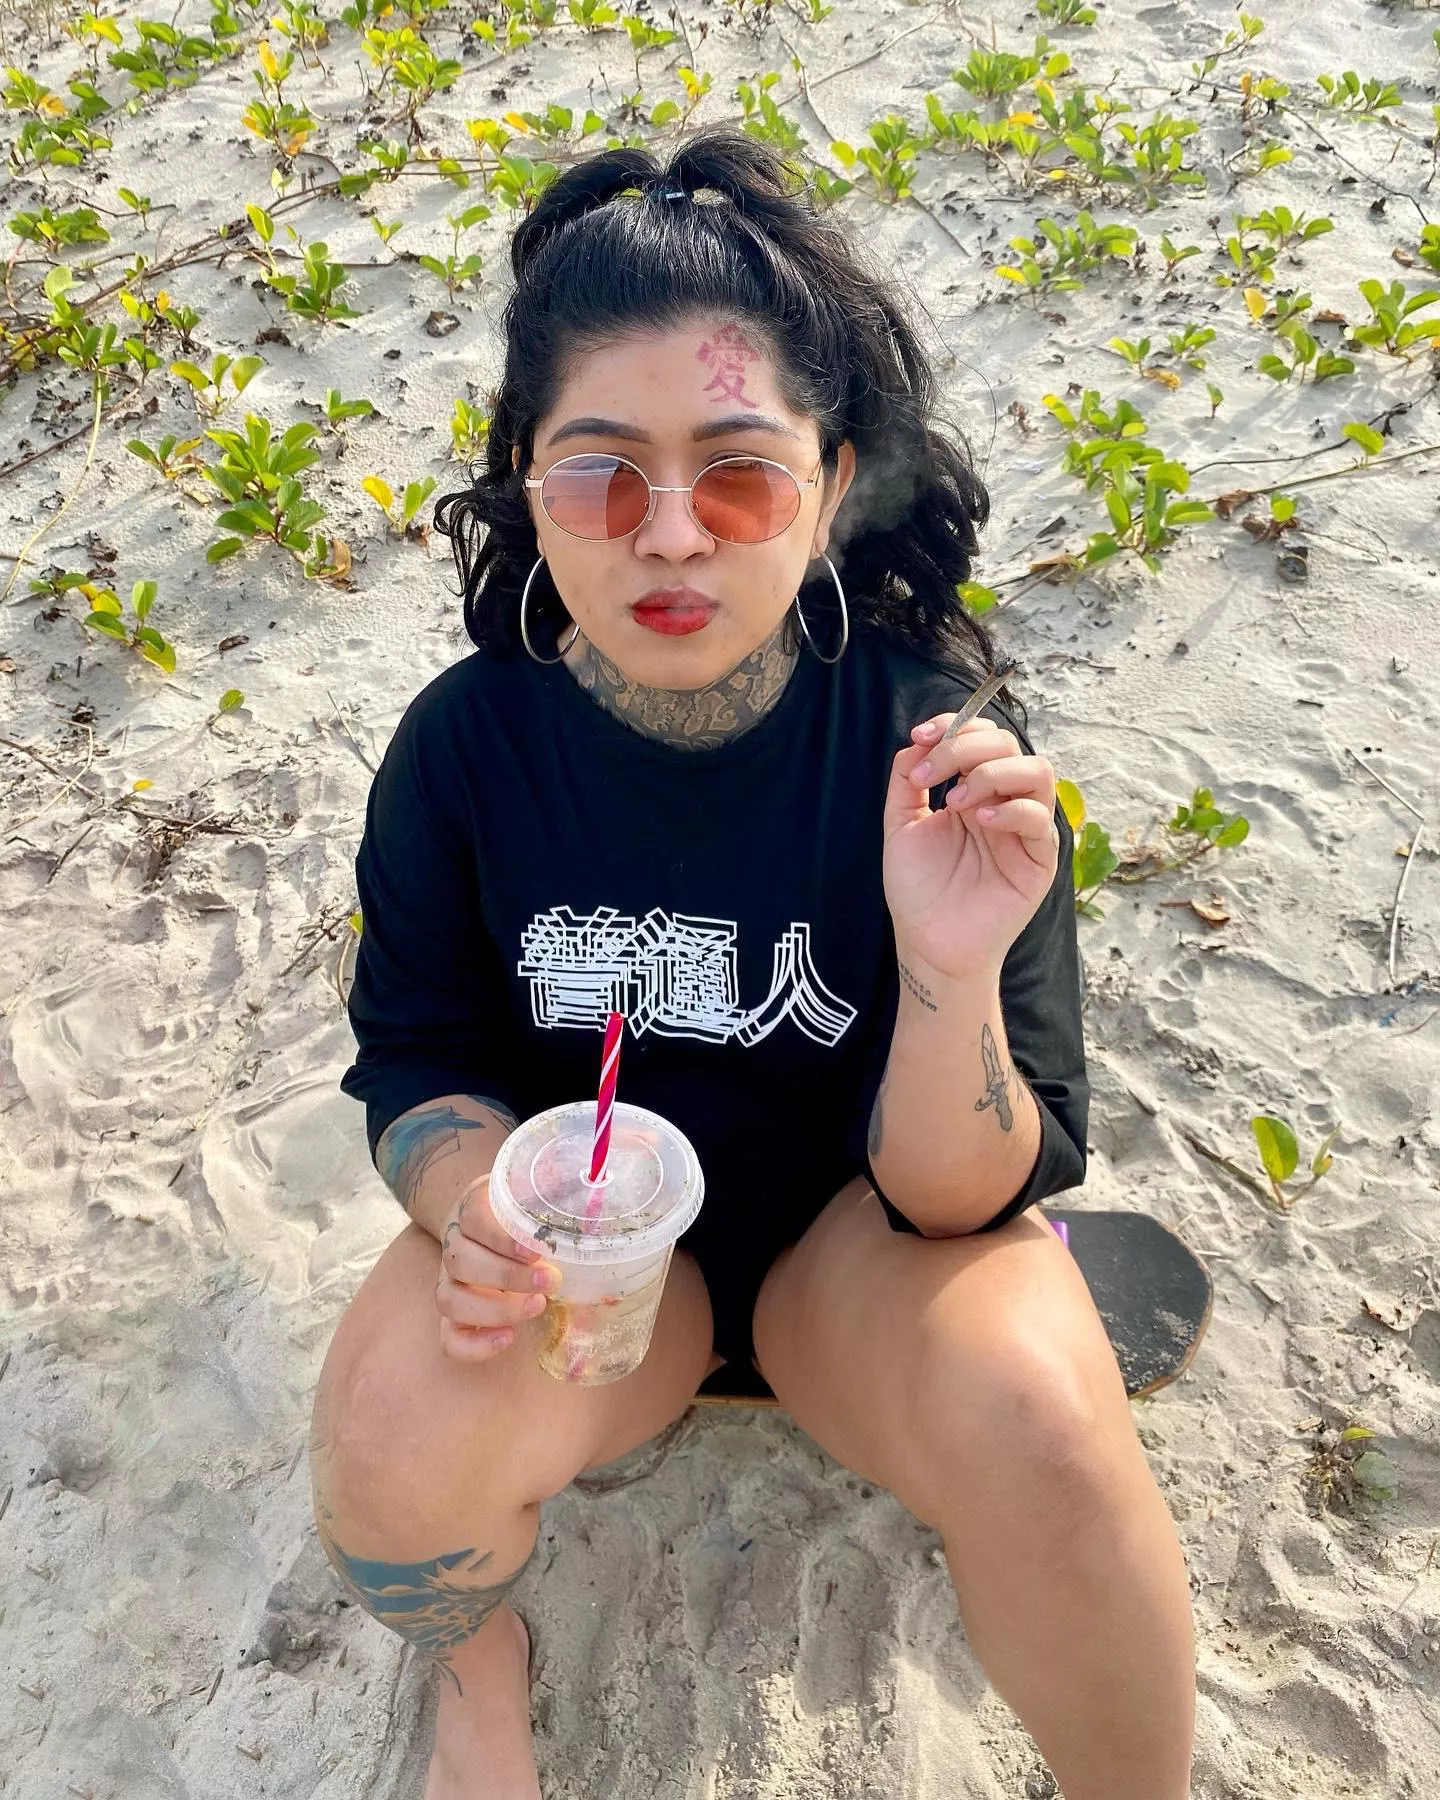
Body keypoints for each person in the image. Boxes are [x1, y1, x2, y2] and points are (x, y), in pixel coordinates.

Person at [308, 126, 1195, 1800]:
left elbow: (953, 1199)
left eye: (737, 476)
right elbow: (417, 1055)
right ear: (528, 485)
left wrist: (949, 969)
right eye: (599, 477)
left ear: (831, 486)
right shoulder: (465, 750)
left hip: (866, 1266)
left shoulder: (933, 755)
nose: (670, 538)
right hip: (592, 1285)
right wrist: (469, 1203)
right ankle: (479, 1662)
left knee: (1048, 1428)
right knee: (384, 1443)